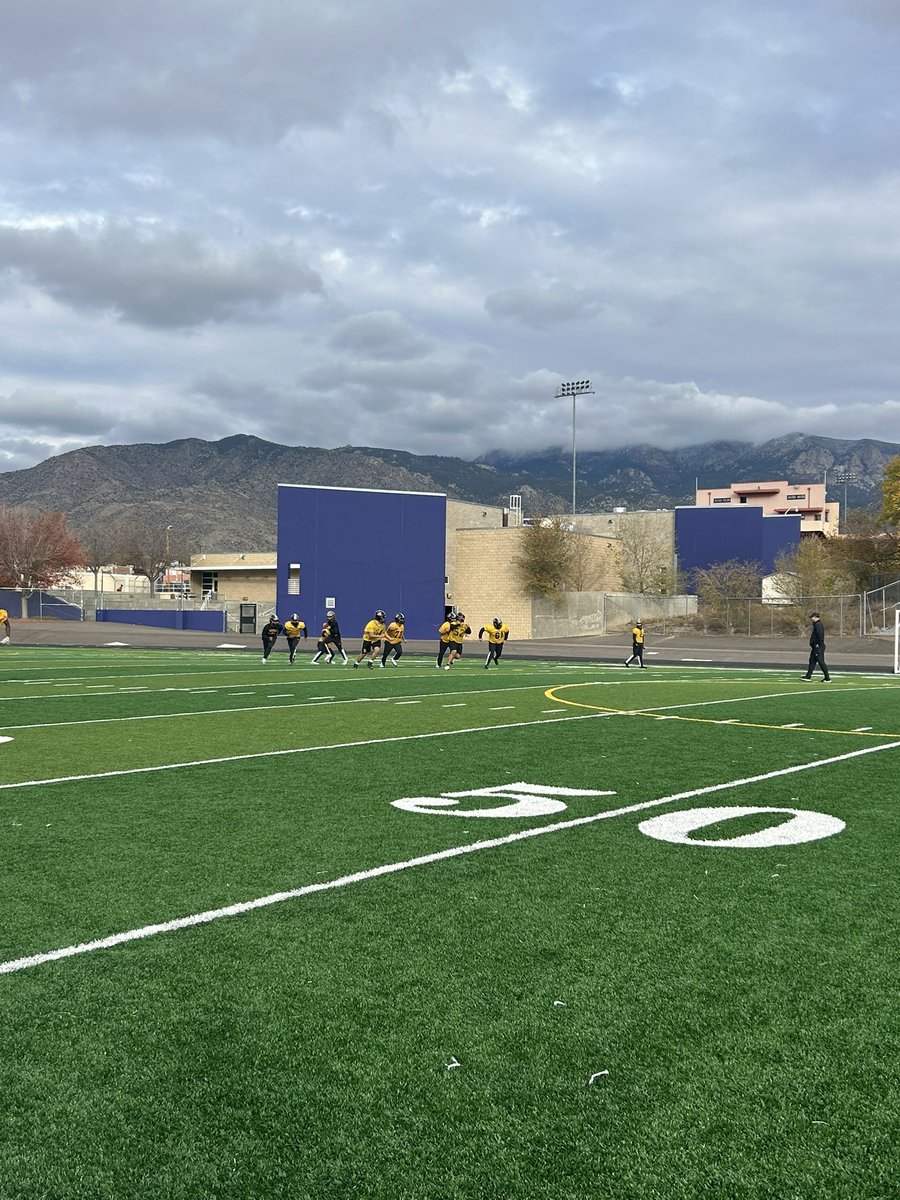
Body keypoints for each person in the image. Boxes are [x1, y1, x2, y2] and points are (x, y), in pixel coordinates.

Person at [803, 612, 831, 681]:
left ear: (815, 617)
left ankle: (827, 678)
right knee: (812, 661)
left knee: (821, 662)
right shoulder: (816, 625)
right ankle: (808, 676)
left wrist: (818, 644)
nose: (811, 619)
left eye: (812, 617)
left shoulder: (818, 625)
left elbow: (820, 635)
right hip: (815, 647)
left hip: (818, 647)